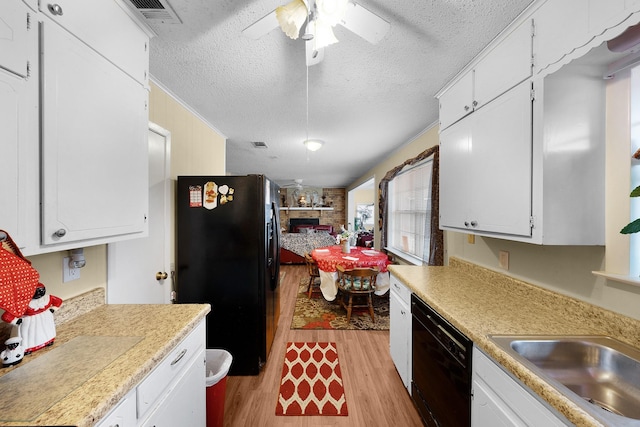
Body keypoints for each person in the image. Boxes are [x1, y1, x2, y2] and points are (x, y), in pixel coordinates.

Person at [2, 284, 63, 355]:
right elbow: (6, 316)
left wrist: (53, 309)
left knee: (46, 330)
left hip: (45, 319)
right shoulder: (21, 303)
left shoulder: (47, 298)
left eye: (42, 290)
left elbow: (59, 301)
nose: (39, 293)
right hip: (29, 322)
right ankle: (28, 348)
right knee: (29, 335)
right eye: (36, 291)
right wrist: (15, 321)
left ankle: (48, 341)